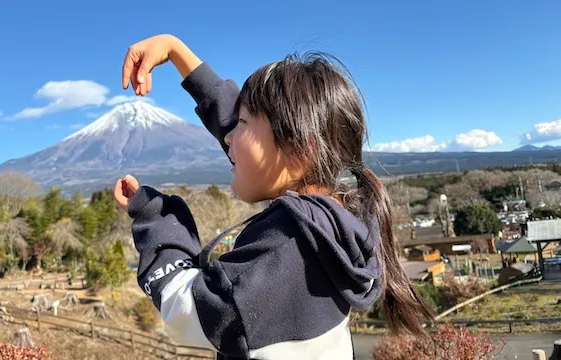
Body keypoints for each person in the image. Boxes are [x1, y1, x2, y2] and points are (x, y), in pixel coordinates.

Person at [113, 34, 434, 359]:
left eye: (242, 123)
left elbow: (184, 310)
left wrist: (156, 214)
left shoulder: (284, 250)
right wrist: (175, 50)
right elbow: (260, 145)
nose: (228, 137)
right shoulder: (335, 224)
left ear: (298, 148)